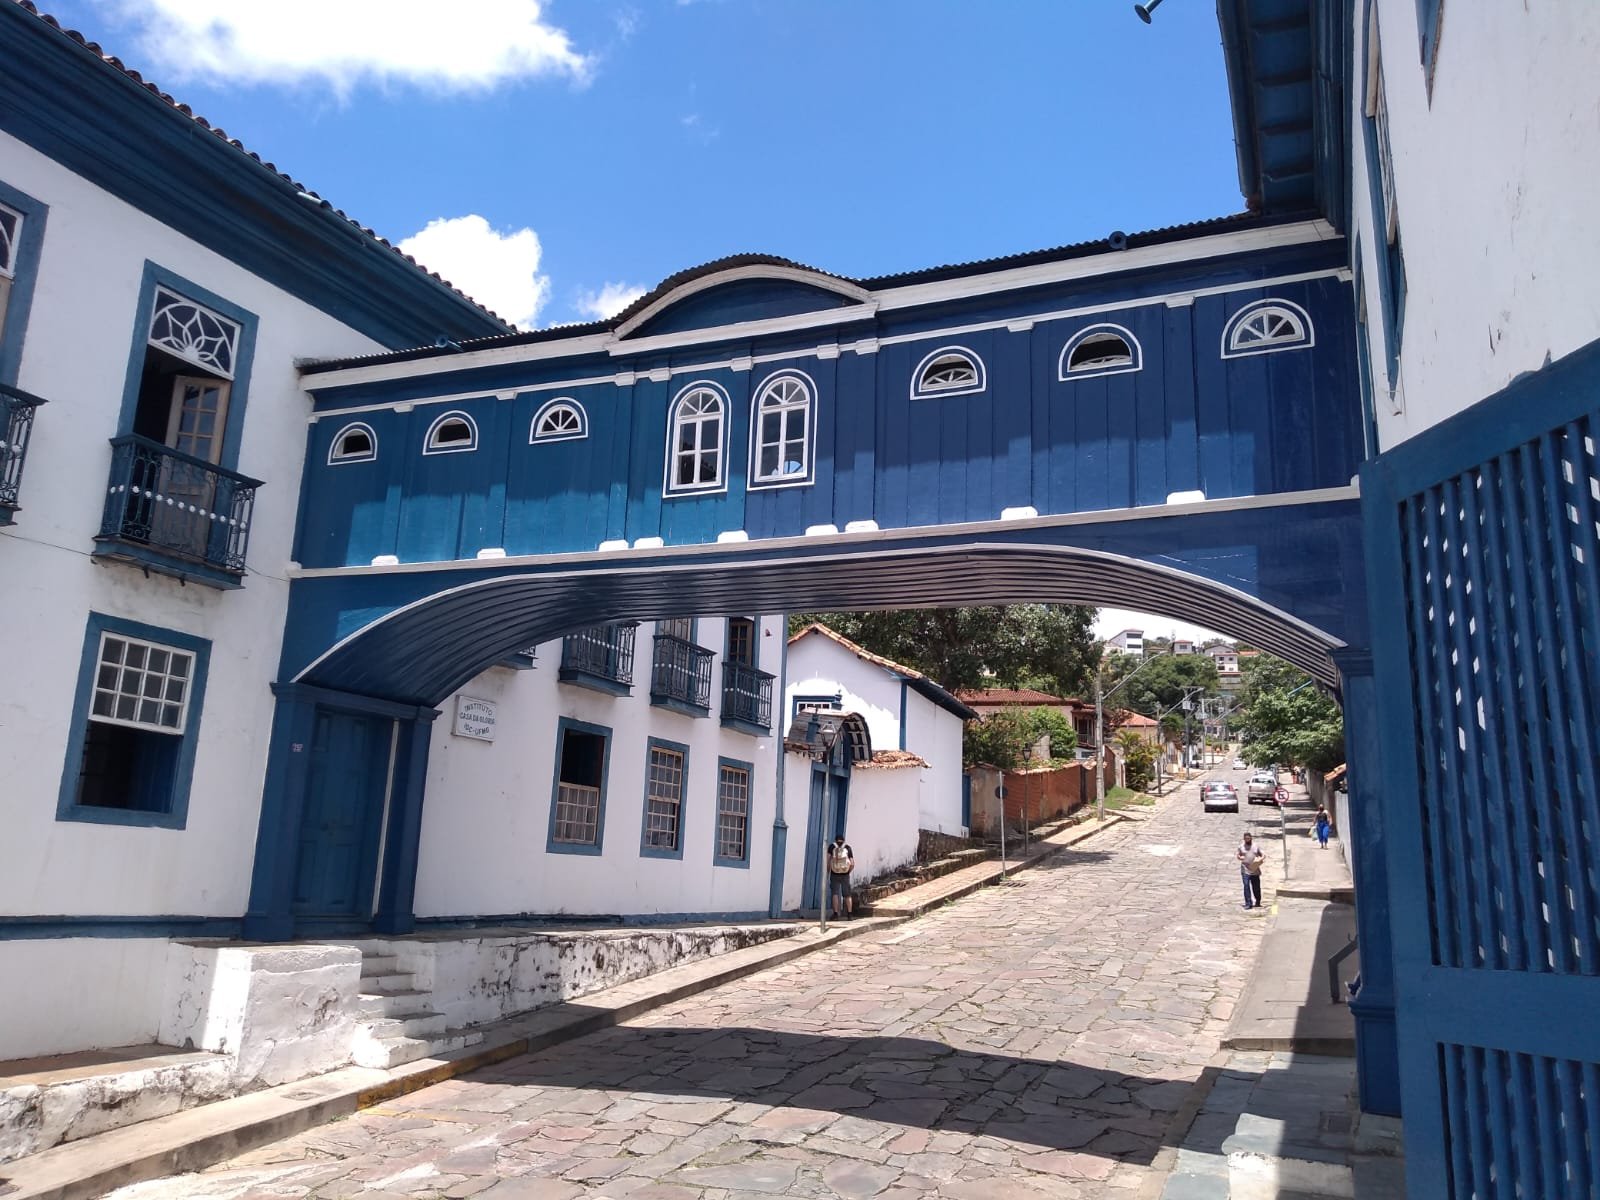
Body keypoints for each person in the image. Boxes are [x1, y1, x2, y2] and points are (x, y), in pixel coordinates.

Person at [827, 834, 855, 919]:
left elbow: (827, 860)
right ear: (843, 840)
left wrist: (828, 872)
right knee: (847, 895)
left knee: (835, 893)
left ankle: (835, 914)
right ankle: (849, 914)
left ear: (835, 840)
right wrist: (847, 871)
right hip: (845, 874)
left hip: (834, 873)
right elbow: (852, 863)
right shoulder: (848, 848)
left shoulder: (832, 847)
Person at [1237, 832, 1265, 909]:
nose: (1247, 840)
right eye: (1246, 839)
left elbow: (1262, 854)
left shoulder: (1256, 846)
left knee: (1256, 887)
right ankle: (1248, 903)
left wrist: (1261, 859)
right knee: (1246, 886)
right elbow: (1238, 855)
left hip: (1254, 869)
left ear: (1251, 838)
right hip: (1245, 869)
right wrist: (1240, 857)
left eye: (1248, 838)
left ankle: (1258, 901)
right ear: (1244, 839)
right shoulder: (1241, 847)